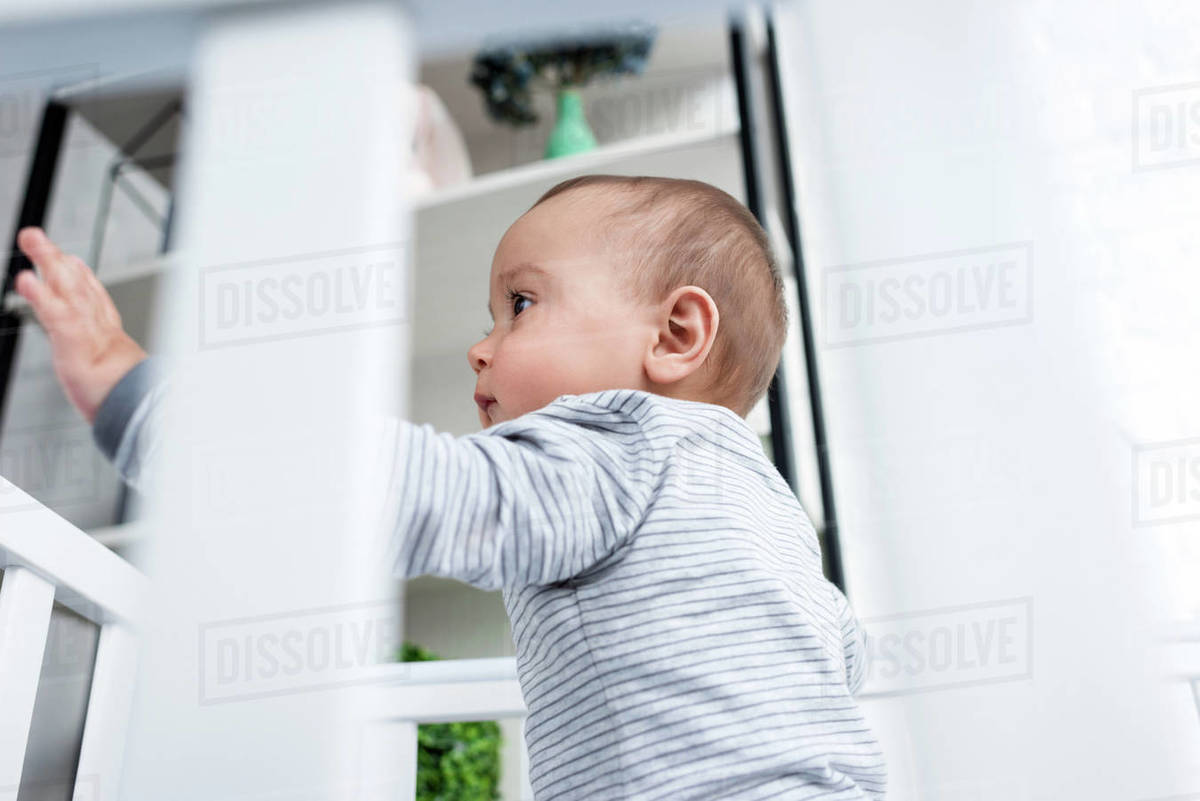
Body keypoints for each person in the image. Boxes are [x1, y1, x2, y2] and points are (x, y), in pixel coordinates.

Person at [15, 174, 886, 800]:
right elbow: (840, 650)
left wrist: (138, 397)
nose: (481, 347)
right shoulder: (770, 508)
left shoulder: (620, 444)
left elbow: (403, 490)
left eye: (521, 305)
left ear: (676, 333)